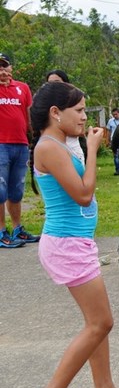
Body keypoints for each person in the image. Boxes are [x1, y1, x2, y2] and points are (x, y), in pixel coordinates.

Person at [30, 81, 119, 388]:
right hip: (66, 245)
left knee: (96, 322)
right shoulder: (50, 147)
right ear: (55, 113)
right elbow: (83, 194)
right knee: (101, 322)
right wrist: (93, 148)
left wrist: (84, 143)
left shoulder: (59, 143)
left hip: (75, 243)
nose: (84, 116)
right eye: (79, 110)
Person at [0, 52, 40, 248]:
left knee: (16, 190)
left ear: (11, 68)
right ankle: (1, 232)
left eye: (4, 66)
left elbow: (28, 115)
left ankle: (17, 229)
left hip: (21, 144)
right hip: (1, 145)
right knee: (0, 189)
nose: (2, 70)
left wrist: (36, 136)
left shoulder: (22, 88)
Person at [107, 108, 119, 176]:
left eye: (116, 114)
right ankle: (118, 170)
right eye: (113, 114)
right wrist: (108, 140)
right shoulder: (110, 121)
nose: (115, 116)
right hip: (114, 141)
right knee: (116, 156)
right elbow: (109, 131)